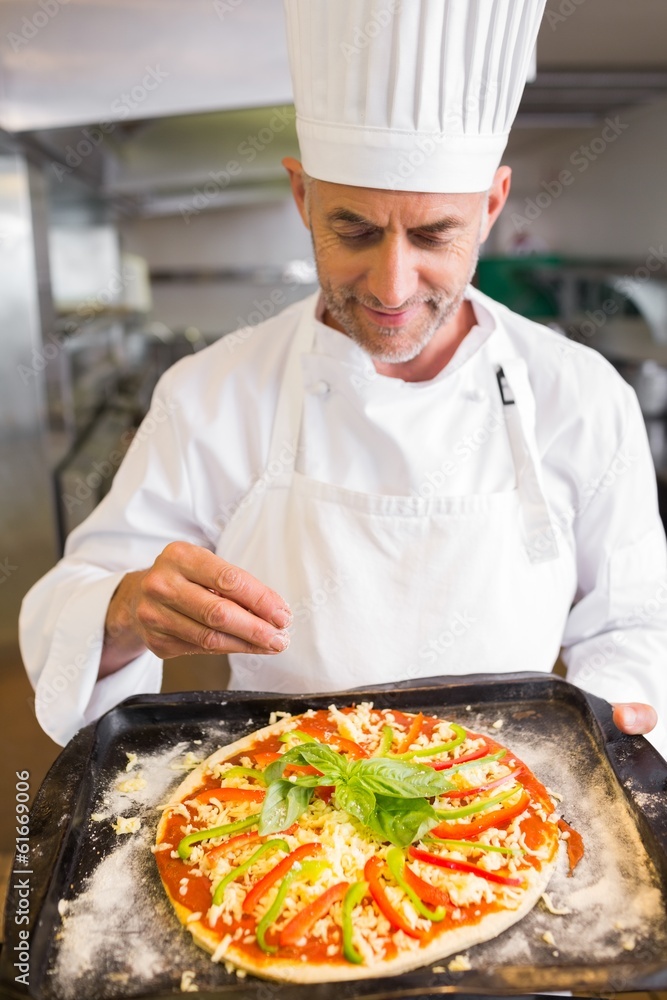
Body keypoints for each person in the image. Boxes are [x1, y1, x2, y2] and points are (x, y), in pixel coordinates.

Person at [20, 0, 667, 753]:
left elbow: (633, 621)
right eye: (353, 230)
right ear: (302, 196)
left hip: (498, 804)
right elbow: (72, 599)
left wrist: (612, 731)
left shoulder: (579, 395)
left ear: (490, 207)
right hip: (278, 804)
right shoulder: (210, 392)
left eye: (433, 234)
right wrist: (127, 609)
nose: (391, 287)